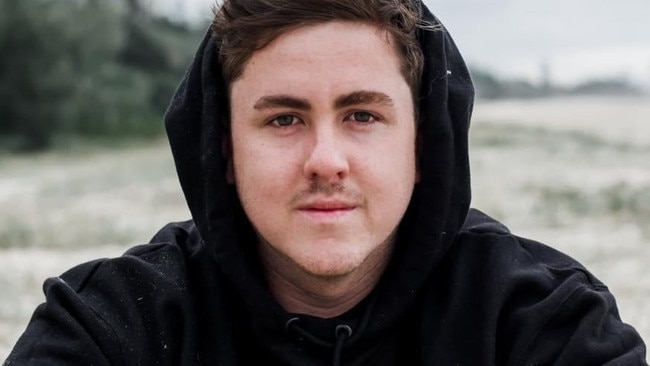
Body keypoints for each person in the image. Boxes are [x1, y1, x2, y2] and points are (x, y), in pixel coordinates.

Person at [4, 0, 648, 365]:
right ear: (224, 151)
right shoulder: (111, 325)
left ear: (423, 144)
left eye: (362, 115)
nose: (325, 159)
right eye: (284, 118)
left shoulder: (542, 321)